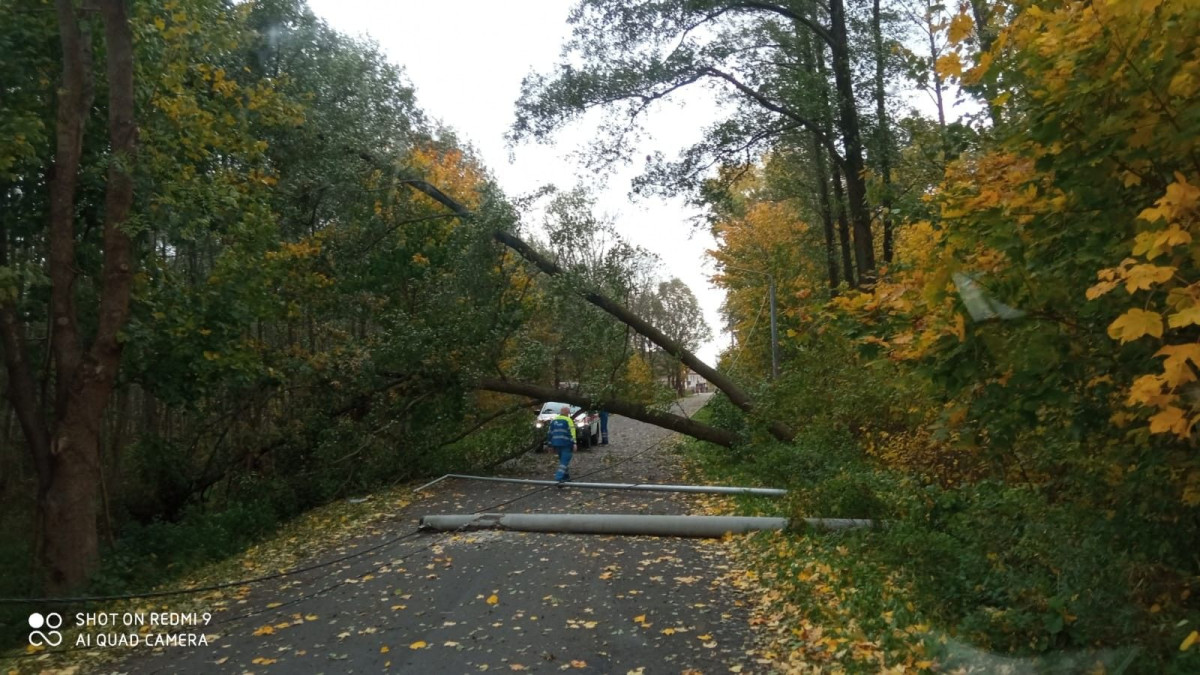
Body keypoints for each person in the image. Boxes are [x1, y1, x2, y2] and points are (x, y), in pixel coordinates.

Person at [546, 405, 577, 482]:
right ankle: (558, 478)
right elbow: (572, 433)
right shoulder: (568, 420)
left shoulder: (554, 420)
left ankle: (566, 478)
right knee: (564, 461)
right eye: (569, 412)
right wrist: (574, 443)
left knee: (563, 460)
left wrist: (550, 445)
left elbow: (550, 433)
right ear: (567, 412)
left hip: (556, 444)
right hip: (566, 443)